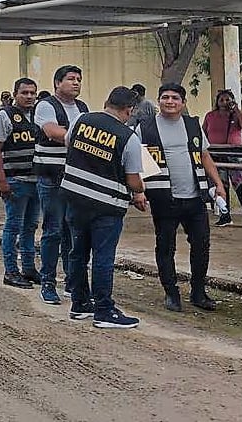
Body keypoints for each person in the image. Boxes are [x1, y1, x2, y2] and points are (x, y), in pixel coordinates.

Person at [62, 86, 146, 329]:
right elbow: (133, 179)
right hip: (107, 206)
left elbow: (69, 145)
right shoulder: (128, 137)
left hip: (75, 198)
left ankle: (79, 303)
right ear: (129, 110)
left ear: (106, 102)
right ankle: (104, 310)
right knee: (103, 257)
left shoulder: (80, 120)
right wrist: (140, 190)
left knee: (77, 253)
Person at [139, 83, 226, 312]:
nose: (170, 101)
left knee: (201, 245)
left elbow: (204, 156)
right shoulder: (145, 128)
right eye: (165, 97)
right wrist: (138, 191)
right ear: (159, 101)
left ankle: (198, 292)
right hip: (164, 198)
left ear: (183, 103)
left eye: (175, 98)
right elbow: (135, 160)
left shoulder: (192, 125)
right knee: (165, 247)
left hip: (195, 198)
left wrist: (218, 184)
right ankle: (171, 292)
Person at [33, 64, 89, 305]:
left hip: (74, 178)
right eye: (71, 79)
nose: (76, 83)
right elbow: (53, 132)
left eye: (79, 79)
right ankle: (48, 282)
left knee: (73, 232)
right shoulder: (46, 106)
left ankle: (72, 281)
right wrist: (85, 137)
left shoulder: (82, 108)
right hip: (51, 178)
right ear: (57, 83)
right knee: (53, 230)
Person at [0, 77, 41, 289]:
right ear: (15, 94)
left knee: (30, 226)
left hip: (37, 181)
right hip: (15, 181)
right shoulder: (4, 115)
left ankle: (29, 268)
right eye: (24, 93)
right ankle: (10, 271)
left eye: (32, 93)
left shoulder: (39, 115)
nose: (29, 96)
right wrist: (2, 180)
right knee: (13, 227)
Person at [202, 88, 242, 226]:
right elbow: (203, 132)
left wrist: (237, 110)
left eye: (227, 99)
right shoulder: (210, 116)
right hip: (216, 154)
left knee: (241, 185)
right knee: (220, 185)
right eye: (221, 99)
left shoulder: (236, 115)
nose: (224, 102)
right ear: (217, 102)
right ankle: (225, 215)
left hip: (234, 154)